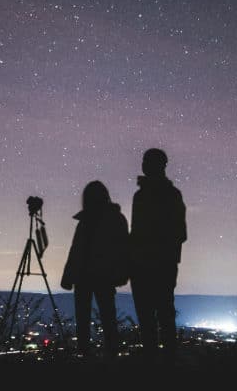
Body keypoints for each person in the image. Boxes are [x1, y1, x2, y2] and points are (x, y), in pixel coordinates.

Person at [61, 180, 130, 358]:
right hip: (101, 275)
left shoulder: (87, 221)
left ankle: (91, 354)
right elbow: (123, 249)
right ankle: (108, 354)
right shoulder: (114, 219)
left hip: (92, 276)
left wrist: (68, 276)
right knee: (106, 317)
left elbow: (75, 250)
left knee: (90, 318)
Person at [129, 148, 187, 359]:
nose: (143, 164)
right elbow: (180, 233)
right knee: (161, 314)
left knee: (153, 315)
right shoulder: (165, 195)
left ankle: (155, 363)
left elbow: (179, 232)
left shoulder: (147, 196)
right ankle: (163, 362)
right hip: (160, 264)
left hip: (152, 264)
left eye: (147, 161)